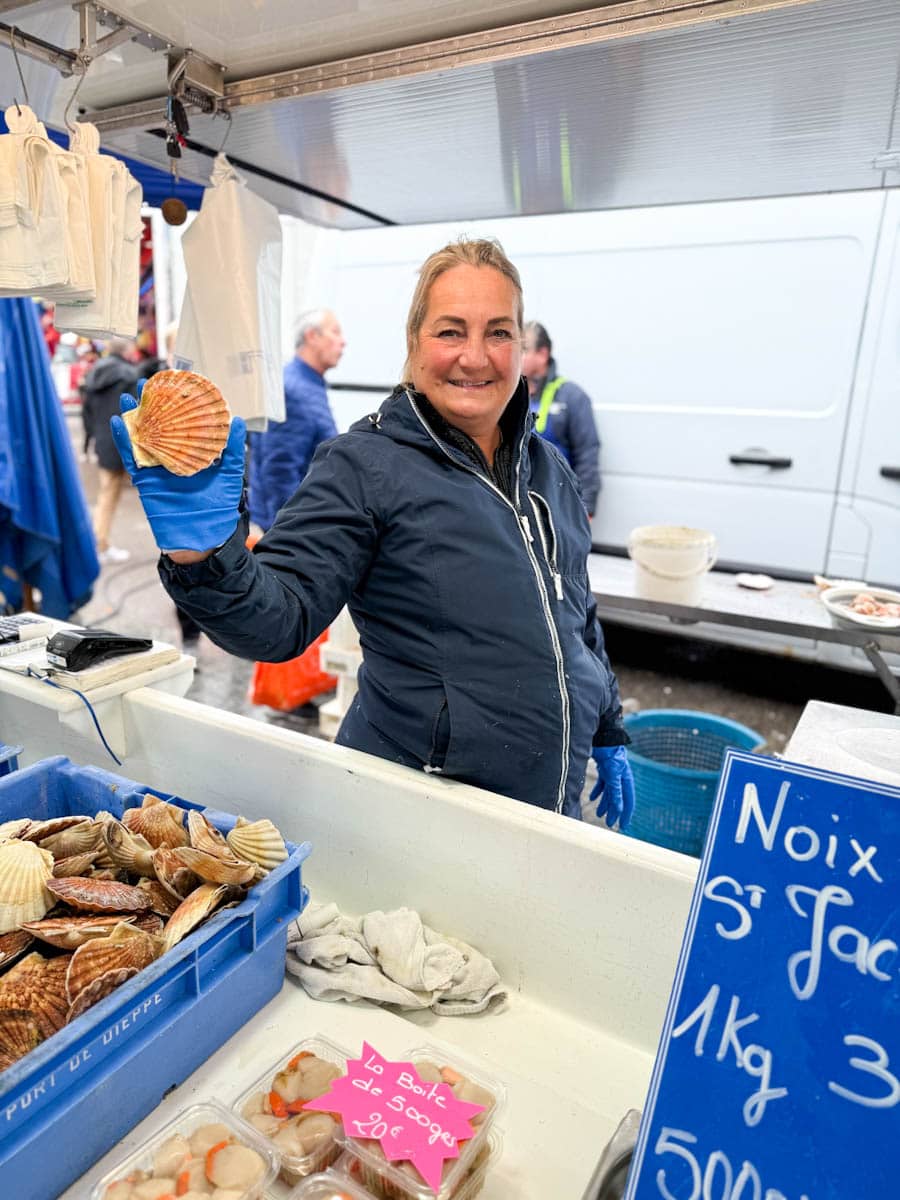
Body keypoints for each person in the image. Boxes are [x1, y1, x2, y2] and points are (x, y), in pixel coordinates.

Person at [111, 239, 634, 827]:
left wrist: (607, 723)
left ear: (520, 344)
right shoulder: (364, 465)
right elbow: (278, 621)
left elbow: (576, 612)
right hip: (419, 812)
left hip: (548, 809)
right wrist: (203, 555)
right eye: (450, 332)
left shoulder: (549, 469)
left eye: (499, 332)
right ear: (414, 345)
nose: (475, 356)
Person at [248, 309, 345, 531]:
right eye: (335, 332)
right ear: (312, 336)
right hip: (295, 528)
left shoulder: (308, 383)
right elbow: (279, 470)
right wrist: (288, 533)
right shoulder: (292, 389)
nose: (343, 342)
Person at [521, 321, 601, 517]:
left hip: (560, 509)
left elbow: (587, 455)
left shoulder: (572, 397)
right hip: (520, 508)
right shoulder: (507, 396)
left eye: (523, 349)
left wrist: (586, 511)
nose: (515, 356)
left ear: (542, 354)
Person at [82, 338, 138, 565]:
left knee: (107, 494)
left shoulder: (94, 373)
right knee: (110, 496)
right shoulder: (129, 375)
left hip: (102, 439)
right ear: (126, 350)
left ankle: (99, 543)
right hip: (122, 441)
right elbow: (135, 412)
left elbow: (87, 411)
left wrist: (91, 438)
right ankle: (99, 544)